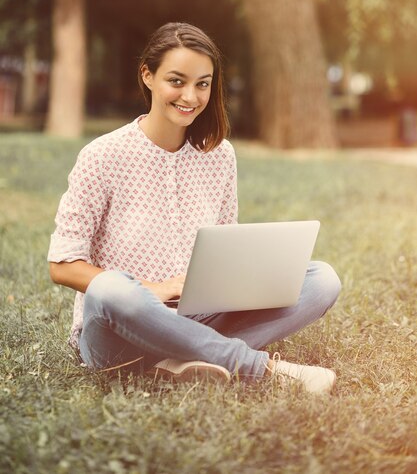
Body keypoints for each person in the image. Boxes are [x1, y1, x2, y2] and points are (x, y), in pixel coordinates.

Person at [48, 22, 341, 394]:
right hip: (117, 332)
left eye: (202, 84)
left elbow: (224, 246)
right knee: (109, 288)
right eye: (176, 80)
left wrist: (240, 282)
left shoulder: (220, 157)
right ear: (147, 75)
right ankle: (257, 367)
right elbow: (61, 264)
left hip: (200, 316)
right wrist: (151, 289)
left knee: (322, 279)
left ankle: (182, 360)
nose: (190, 96)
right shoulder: (102, 156)